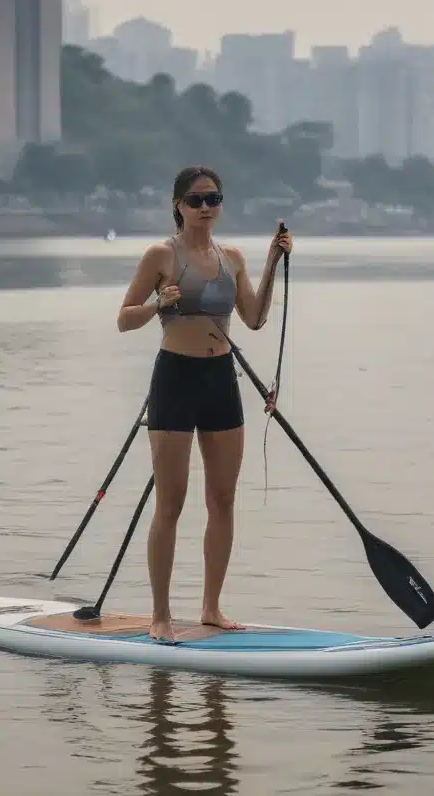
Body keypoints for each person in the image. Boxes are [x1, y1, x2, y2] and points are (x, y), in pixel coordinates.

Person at [117, 166, 293, 642]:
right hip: (175, 379)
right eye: (196, 200)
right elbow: (124, 319)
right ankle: (160, 615)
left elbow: (253, 319)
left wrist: (273, 262)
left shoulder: (231, 258)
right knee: (170, 502)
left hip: (220, 380)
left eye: (213, 199)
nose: (206, 207)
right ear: (178, 205)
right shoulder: (161, 255)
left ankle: (211, 608)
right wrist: (158, 304)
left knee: (223, 499)